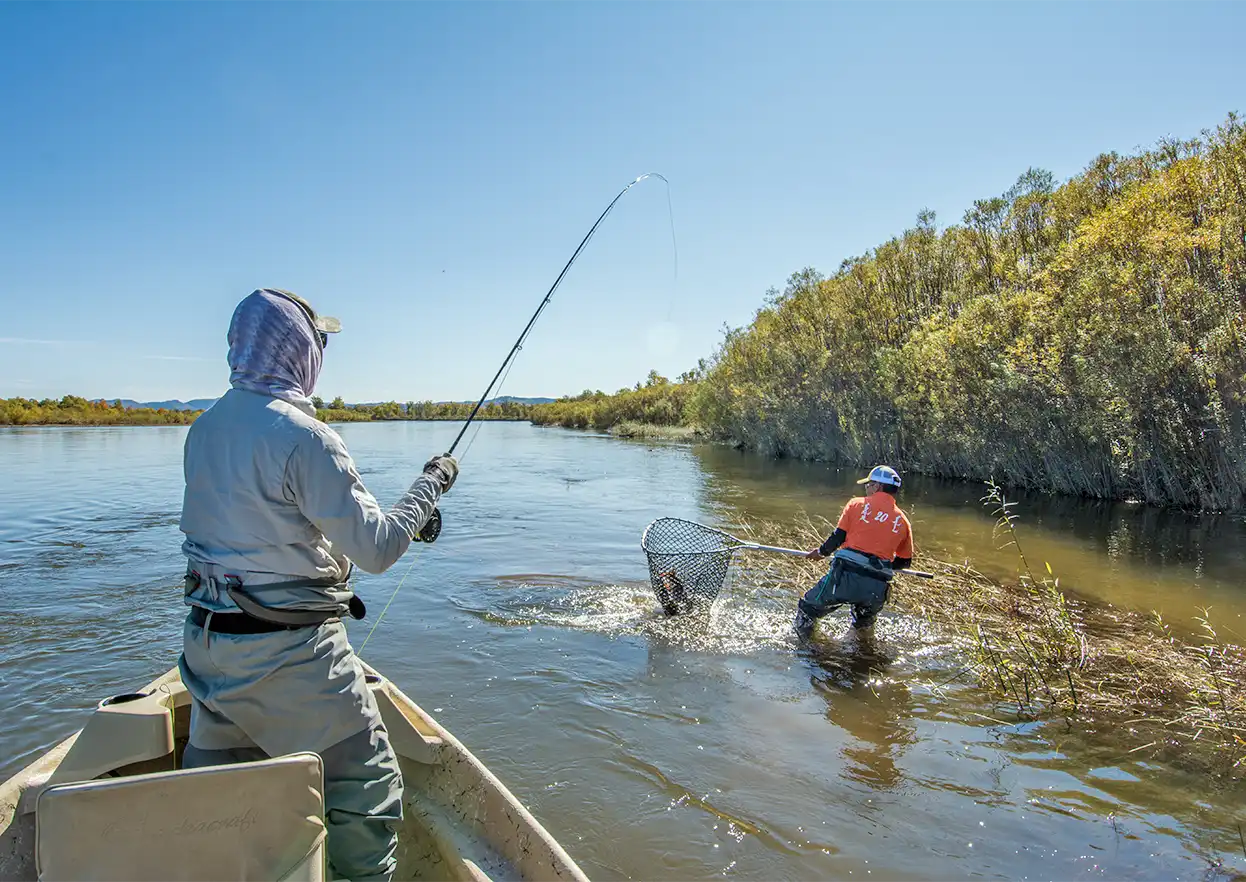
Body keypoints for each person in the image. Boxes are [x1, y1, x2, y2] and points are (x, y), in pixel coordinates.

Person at [177, 288, 459, 882]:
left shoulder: (203, 431)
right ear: (299, 351)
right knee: (372, 783)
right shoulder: (306, 438)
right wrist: (429, 485)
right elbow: (378, 548)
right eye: (319, 342)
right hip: (287, 655)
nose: (323, 354)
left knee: (227, 799)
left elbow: (262, 534)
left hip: (207, 651)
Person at [794, 465, 914, 638]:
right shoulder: (903, 521)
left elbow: (838, 538)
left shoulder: (856, 504)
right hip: (876, 588)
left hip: (844, 578)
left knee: (807, 609)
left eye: (869, 484)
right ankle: (861, 655)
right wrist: (879, 564)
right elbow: (904, 562)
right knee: (863, 625)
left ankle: (805, 651)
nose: (866, 488)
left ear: (877, 486)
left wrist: (820, 553)